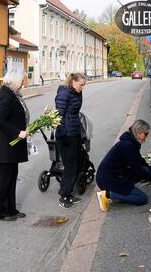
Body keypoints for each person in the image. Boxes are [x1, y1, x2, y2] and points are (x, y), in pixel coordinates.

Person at [95, 119, 151, 212]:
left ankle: (120, 191)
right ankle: (107, 195)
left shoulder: (130, 142)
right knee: (142, 199)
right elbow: (139, 169)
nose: (146, 137)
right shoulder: (128, 146)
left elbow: (142, 163)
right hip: (108, 180)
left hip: (112, 175)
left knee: (141, 172)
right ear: (139, 133)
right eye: (145, 134)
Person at [0, 66, 29, 221]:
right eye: (22, 80)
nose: (22, 83)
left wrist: (25, 129)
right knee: (5, 178)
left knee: (12, 176)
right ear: (15, 80)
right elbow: (0, 120)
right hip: (6, 143)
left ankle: (11, 209)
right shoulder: (6, 95)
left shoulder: (13, 93)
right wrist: (18, 132)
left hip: (13, 143)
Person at [55, 73, 87, 208]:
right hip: (66, 134)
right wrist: (63, 131)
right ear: (73, 82)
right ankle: (64, 196)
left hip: (74, 132)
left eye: (84, 85)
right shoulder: (64, 94)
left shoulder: (76, 92)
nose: (82, 87)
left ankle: (66, 192)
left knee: (78, 161)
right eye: (81, 84)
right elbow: (58, 114)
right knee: (70, 166)